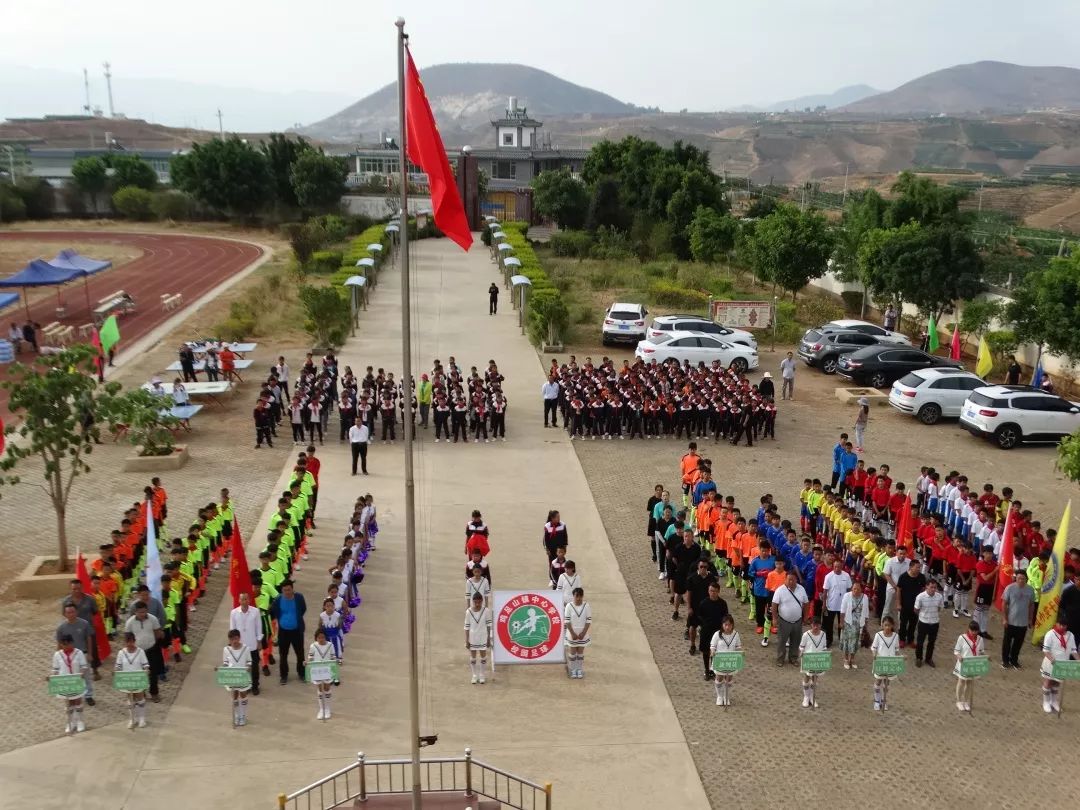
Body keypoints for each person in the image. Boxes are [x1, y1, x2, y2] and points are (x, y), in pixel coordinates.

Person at [124, 601, 164, 703]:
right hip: (138, 653)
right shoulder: (130, 622)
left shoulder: (153, 619)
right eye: (140, 612)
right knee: (140, 673)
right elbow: (127, 638)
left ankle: (154, 693)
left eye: (144, 611)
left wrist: (153, 642)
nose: (142, 614)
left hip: (152, 650)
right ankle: (141, 693)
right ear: (135, 612)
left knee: (153, 673)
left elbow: (157, 633)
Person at [57, 603, 96, 704]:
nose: (71, 614)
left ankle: (88, 695)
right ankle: (73, 695)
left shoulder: (84, 624)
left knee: (86, 676)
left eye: (72, 612)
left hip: (83, 653)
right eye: (68, 612)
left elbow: (89, 639)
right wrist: (58, 657)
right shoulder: (61, 627)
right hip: (68, 656)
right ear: (65, 614)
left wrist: (90, 654)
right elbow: (59, 643)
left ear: (76, 612)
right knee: (71, 676)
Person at [50, 633, 89, 734]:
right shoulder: (57, 655)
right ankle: (70, 722)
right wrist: (53, 677)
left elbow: (84, 666)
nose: (66, 646)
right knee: (68, 703)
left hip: (76, 681)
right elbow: (55, 669)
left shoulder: (79, 653)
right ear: (61, 644)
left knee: (78, 702)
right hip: (65, 683)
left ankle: (80, 721)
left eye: (68, 644)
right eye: (64, 644)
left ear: (72, 643)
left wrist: (81, 673)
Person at [270, 581, 307, 684]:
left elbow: (303, 609)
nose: (287, 592)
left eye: (289, 590)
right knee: (283, 655)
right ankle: (284, 675)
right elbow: (274, 610)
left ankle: (302, 673)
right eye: (285, 590)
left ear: (292, 589)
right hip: (283, 632)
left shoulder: (299, 598)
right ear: (282, 590)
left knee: (300, 654)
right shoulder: (278, 600)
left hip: (297, 631)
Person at [229, 592, 264, 695]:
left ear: (249, 600)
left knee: (254, 666)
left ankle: (255, 686)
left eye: (246, 599)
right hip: (240, 645)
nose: (244, 601)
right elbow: (232, 629)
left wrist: (259, 641)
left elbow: (259, 627)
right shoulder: (234, 613)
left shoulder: (255, 611)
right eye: (242, 599)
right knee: (242, 666)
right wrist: (233, 643)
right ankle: (245, 685)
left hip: (252, 644)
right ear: (239, 600)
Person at [771, 571, 808, 667]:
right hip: (784, 621)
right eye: (789, 579)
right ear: (785, 579)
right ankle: (780, 659)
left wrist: (806, 617)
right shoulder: (780, 590)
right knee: (782, 641)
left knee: (796, 641)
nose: (791, 581)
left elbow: (806, 603)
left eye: (793, 579)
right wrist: (774, 618)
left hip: (798, 621)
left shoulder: (801, 589)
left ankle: (793, 658)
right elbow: (774, 605)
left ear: (796, 580)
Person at [114, 631, 151, 728]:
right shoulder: (121, 653)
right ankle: (132, 719)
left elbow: (145, 664)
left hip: (138, 679)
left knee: (140, 697)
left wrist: (146, 670)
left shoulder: (140, 651)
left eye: (131, 641)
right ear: (125, 642)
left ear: (134, 641)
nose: (130, 644)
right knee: (130, 699)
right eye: (127, 641)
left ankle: (141, 719)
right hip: (127, 680)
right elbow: (118, 666)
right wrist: (116, 670)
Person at [1040, 620, 1078, 713]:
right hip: (1051, 663)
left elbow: (1073, 651)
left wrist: (1079, 661)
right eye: (1061, 625)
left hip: (1062, 664)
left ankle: (1054, 702)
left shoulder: (1070, 635)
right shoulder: (1050, 634)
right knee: (1048, 682)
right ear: (1057, 624)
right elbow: (1045, 650)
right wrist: (1053, 661)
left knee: (1057, 683)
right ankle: (1046, 702)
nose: (1062, 627)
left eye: (1064, 625)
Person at [952, 620, 985, 712]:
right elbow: (956, 650)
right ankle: (959, 701)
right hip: (963, 663)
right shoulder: (962, 638)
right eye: (972, 630)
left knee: (969, 683)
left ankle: (965, 701)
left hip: (972, 664)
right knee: (961, 681)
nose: (974, 632)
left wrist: (984, 657)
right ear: (969, 629)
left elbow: (981, 651)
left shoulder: (980, 639)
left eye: (976, 631)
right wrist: (959, 656)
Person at [709, 615, 742, 705]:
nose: (727, 627)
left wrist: (740, 653)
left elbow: (738, 646)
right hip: (720, 660)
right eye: (725, 625)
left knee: (729, 678)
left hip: (731, 661)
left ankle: (726, 696)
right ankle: (719, 696)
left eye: (729, 625)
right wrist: (713, 651)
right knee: (719, 678)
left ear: (732, 625)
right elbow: (712, 646)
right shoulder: (717, 634)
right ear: (722, 625)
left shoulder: (736, 634)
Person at [222, 628, 252, 726]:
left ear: (239, 638)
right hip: (232, 675)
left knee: (243, 694)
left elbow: (249, 661)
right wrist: (224, 668)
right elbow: (225, 662)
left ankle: (243, 715)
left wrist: (248, 667)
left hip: (242, 675)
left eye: (236, 638)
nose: (234, 641)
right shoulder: (226, 649)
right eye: (232, 639)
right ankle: (236, 715)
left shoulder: (246, 649)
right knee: (234, 695)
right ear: (229, 640)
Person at [308, 627, 340, 719]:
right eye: (319, 638)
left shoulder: (330, 645)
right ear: (316, 638)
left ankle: (327, 709)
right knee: (319, 689)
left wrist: (335, 661)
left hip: (327, 669)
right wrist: (308, 663)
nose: (321, 639)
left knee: (327, 687)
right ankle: (321, 709)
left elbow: (333, 656)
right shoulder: (313, 646)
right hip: (317, 670)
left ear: (326, 637)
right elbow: (310, 657)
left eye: (323, 637)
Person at [871, 615, 900, 711]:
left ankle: (884, 701)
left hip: (890, 663)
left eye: (889, 625)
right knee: (878, 682)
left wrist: (899, 658)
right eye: (885, 625)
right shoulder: (878, 635)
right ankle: (877, 700)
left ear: (892, 626)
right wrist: (874, 655)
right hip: (880, 662)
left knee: (886, 684)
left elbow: (896, 649)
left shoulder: (895, 636)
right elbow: (874, 648)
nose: (887, 627)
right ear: (882, 625)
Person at [821, 558, 852, 648]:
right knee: (829, 624)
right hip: (831, 604)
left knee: (842, 623)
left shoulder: (846, 576)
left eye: (839, 567)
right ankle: (829, 640)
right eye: (835, 567)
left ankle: (841, 639)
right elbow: (825, 591)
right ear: (833, 567)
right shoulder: (828, 576)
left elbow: (849, 589)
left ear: (842, 566)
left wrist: (850, 603)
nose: (837, 569)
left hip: (843, 605)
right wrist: (824, 604)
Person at [838, 580, 869, 670]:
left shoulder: (865, 597)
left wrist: (866, 624)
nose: (856, 590)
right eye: (854, 588)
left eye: (858, 589)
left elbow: (866, 612)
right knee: (847, 641)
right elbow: (842, 610)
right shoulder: (847, 596)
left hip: (859, 624)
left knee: (855, 642)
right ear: (852, 589)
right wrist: (841, 622)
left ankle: (852, 659)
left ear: (861, 589)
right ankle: (846, 659)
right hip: (848, 622)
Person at [799, 616, 828, 708]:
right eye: (814, 625)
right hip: (808, 659)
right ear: (811, 625)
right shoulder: (806, 635)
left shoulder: (823, 634)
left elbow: (824, 646)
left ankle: (812, 696)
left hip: (818, 659)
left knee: (815, 678)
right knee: (807, 676)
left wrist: (825, 654)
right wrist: (801, 652)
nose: (816, 627)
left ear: (820, 625)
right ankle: (806, 697)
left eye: (818, 625)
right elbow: (802, 646)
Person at [914, 579, 944, 668]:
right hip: (923, 623)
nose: (933, 589)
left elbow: (939, 608)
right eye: (931, 587)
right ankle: (919, 658)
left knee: (932, 642)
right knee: (920, 642)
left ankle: (928, 658)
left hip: (934, 623)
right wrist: (923, 616)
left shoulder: (939, 596)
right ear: (926, 586)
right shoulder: (920, 597)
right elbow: (916, 609)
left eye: (935, 587)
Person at [897, 559, 927, 648]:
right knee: (903, 623)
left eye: (919, 567)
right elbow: (899, 590)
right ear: (911, 567)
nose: (918, 569)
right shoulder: (903, 577)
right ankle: (902, 639)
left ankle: (910, 640)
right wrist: (898, 603)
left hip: (916, 606)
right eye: (917, 567)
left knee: (913, 623)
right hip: (905, 604)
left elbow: (923, 590)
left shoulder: (921, 577)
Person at [564, 587, 592, 679]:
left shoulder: (586, 606)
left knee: (580, 653)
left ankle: (579, 669)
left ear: (582, 596)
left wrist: (583, 633)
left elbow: (588, 621)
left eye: (580, 596)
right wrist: (572, 633)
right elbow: (567, 621)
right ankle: (573, 669)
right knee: (572, 653)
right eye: (577, 596)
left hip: (583, 633)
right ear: (573, 596)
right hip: (572, 633)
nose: (578, 598)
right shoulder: (569, 606)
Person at [464, 592, 492, 684]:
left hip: (483, 636)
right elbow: (466, 627)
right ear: (473, 601)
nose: (477, 604)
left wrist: (488, 638)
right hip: (473, 637)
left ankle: (482, 675)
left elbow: (488, 625)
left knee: (483, 656)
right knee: (473, 657)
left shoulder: (486, 611)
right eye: (475, 602)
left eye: (479, 602)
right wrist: (466, 640)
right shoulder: (468, 612)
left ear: (482, 601)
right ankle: (474, 675)